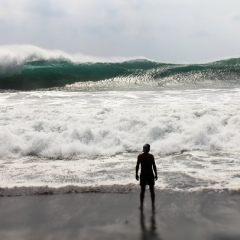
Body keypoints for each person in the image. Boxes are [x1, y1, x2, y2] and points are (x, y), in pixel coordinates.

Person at [136, 143, 158, 211]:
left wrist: (156, 174)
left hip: (146, 175)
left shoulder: (141, 156)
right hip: (147, 175)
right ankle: (149, 205)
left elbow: (154, 166)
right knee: (147, 190)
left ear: (147, 149)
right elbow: (137, 166)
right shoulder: (149, 156)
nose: (144, 148)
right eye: (144, 147)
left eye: (144, 147)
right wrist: (156, 174)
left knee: (147, 190)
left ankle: (146, 205)